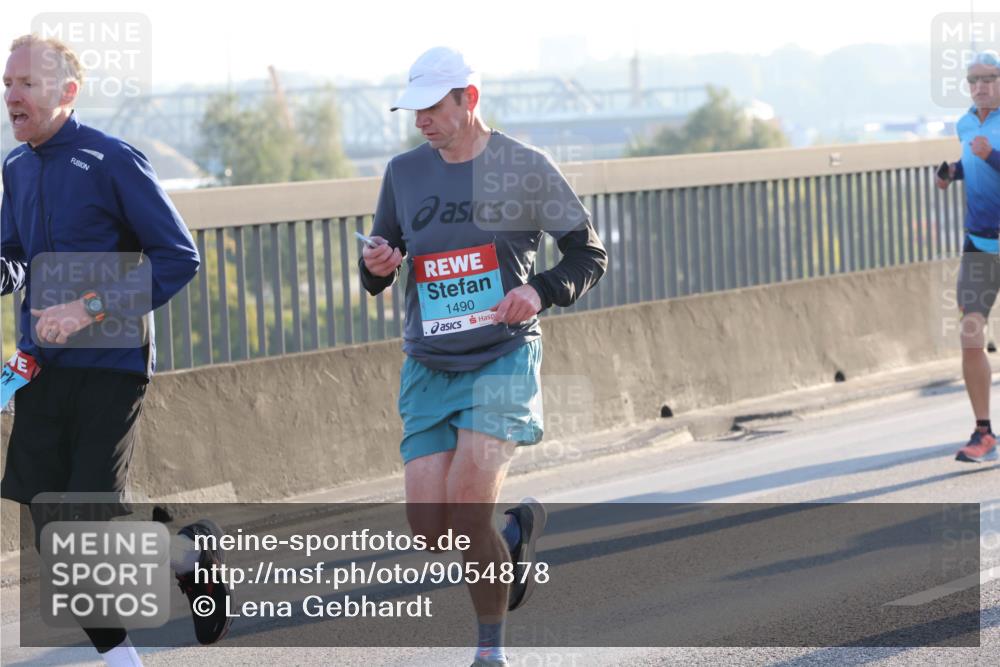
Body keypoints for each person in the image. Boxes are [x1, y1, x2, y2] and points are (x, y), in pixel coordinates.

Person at [360, 46, 607, 667]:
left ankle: (489, 650)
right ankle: (512, 541)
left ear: (468, 100)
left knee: (470, 514)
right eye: (412, 109)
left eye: (431, 108)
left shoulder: (524, 167)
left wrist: (539, 290)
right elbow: (380, 262)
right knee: (431, 531)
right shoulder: (404, 172)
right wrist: (376, 267)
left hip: (503, 357)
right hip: (429, 363)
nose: (419, 120)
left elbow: (588, 254)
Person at [1, 34, 232, 664]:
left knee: (84, 524)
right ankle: (187, 556)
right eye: (6, 83)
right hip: (41, 368)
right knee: (58, 535)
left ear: (66, 92)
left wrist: (87, 309)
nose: (11, 96)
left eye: (25, 83)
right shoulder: (15, 167)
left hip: (111, 363)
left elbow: (178, 258)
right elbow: (16, 257)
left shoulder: (112, 160)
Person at [938, 51, 1000, 464]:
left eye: (989, 78)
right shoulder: (965, 122)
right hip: (979, 244)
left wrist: (990, 156)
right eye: (973, 79)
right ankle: (983, 433)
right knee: (970, 336)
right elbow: (972, 163)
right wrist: (953, 173)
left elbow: (988, 160)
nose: (980, 86)